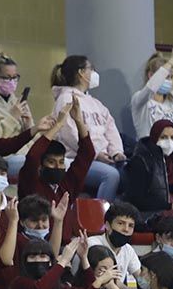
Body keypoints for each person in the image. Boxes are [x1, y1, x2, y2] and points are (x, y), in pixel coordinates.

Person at [49, 55, 122, 200]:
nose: (94, 73)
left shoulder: (95, 103)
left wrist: (116, 152)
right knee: (111, 175)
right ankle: (103, 218)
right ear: (81, 72)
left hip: (102, 158)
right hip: (77, 159)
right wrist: (95, 154)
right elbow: (69, 134)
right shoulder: (66, 98)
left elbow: (110, 128)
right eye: (92, 69)